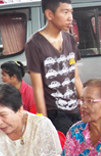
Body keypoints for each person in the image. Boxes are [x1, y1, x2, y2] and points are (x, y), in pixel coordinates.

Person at [25, 0, 83, 135]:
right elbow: (37, 88)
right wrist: (43, 121)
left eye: (71, 12)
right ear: (49, 14)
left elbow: (76, 77)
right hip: (55, 113)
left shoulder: (69, 39)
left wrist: (86, 104)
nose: (70, 17)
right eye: (65, 12)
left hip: (75, 109)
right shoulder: (34, 44)